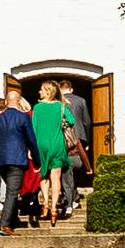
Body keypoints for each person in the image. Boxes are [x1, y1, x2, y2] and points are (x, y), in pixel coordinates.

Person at [0, 83, 37, 229]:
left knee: (11, 189)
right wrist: (37, 160)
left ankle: (13, 219)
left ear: (6, 102)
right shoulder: (23, 118)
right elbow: (31, 139)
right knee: (13, 192)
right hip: (16, 160)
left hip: (0, 162)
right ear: (18, 101)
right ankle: (5, 225)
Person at [28, 83, 76, 223]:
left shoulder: (37, 108)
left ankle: (45, 204)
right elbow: (72, 121)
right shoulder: (61, 106)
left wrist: (31, 149)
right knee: (56, 178)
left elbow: (33, 128)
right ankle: (54, 208)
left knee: (43, 176)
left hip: (41, 145)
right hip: (57, 144)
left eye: (42, 89)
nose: (39, 91)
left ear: (48, 92)